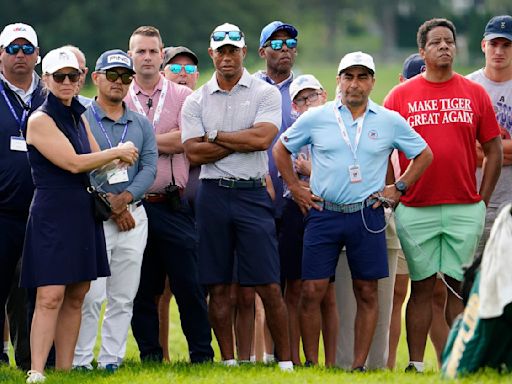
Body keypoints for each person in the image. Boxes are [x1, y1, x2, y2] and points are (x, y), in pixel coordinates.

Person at [273, 51, 433, 371]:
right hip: (323, 212)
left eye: (362, 77)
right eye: (348, 76)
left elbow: (424, 154)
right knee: (312, 290)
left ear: (372, 82)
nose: (354, 84)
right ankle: (311, 363)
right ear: (338, 81)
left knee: (367, 290)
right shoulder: (317, 116)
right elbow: (281, 149)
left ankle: (358, 366)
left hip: (367, 213)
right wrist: (295, 189)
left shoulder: (387, 120)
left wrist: (398, 188)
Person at [383, 18, 503, 373]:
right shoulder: (400, 96)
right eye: (435, 42)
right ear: (422, 51)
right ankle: (416, 365)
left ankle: (457, 362)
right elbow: (380, 147)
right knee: (420, 288)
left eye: (449, 41)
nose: (444, 47)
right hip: (415, 206)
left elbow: (493, 149)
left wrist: (482, 199)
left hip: (465, 206)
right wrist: (394, 192)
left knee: (454, 288)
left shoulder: (473, 92)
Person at [21, 47, 138, 383]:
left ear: (82, 78)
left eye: (73, 76)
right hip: (53, 211)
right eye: (60, 77)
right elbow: (73, 162)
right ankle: (38, 370)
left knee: (78, 292)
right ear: (46, 79)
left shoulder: (78, 115)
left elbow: (97, 158)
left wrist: (119, 159)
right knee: (50, 293)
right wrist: (116, 153)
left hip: (80, 208)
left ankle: (65, 370)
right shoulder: (40, 119)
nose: (67, 82)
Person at [181, 22, 293, 371]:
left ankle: (285, 361)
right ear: (212, 53)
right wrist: (236, 139)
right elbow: (193, 154)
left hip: (252, 192)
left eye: (234, 50)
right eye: (221, 51)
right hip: (213, 195)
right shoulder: (196, 99)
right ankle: (229, 361)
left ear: (244, 52)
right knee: (218, 284)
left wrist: (213, 135)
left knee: (268, 283)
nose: (227, 56)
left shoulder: (264, 94)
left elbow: (262, 140)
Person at [125, 26, 213, 364]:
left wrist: (137, 144)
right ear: (131, 55)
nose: (147, 57)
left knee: (189, 285)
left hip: (172, 203)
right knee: (142, 288)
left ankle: (201, 355)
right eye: (140, 52)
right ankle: (150, 354)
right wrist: (165, 138)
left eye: (152, 52)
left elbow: (188, 140)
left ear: (162, 56)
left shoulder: (183, 96)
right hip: (133, 207)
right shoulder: (121, 95)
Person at [73, 49, 157, 372]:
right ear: (96, 78)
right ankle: (81, 359)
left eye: (125, 77)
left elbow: (149, 167)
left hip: (134, 214)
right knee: (91, 295)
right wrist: (111, 204)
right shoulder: (81, 117)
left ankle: (110, 358)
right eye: (112, 76)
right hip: (94, 215)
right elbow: (81, 165)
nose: (119, 83)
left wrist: (126, 197)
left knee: (123, 295)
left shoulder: (140, 123)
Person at [386, 53, 448, 370]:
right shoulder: (395, 113)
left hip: (435, 209)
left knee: (437, 293)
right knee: (396, 294)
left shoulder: (438, 113)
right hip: (400, 209)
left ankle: (446, 364)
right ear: (402, 80)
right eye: (416, 77)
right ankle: (386, 367)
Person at [282, 74, 338, 366]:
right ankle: (295, 359)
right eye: (300, 100)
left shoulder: (338, 129)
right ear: (293, 106)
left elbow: (340, 177)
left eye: (311, 96)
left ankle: (328, 362)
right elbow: (285, 178)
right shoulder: (291, 134)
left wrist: (310, 169)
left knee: (326, 291)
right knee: (294, 288)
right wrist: (304, 184)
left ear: (324, 95)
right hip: (294, 211)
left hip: (324, 212)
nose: (307, 104)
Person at [0, 22, 46, 371]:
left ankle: (29, 361)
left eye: (26, 49)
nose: (19, 55)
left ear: (37, 55)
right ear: (0, 55)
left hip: (41, 210)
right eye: (12, 49)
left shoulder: (51, 94)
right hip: (2, 210)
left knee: (30, 290)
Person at [159, 45, 200, 362]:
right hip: (167, 205)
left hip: (204, 208)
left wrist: (146, 140)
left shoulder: (205, 104)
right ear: (163, 73)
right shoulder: (158, 106)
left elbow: (187, 140)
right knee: (161, 288)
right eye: (175, 67)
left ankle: (203, 351)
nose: (183, 73)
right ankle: (160, 354)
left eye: (189, 68)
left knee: (199, 286)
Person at [467, 15, 512, 256]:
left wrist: (488, 150)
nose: (499, 51)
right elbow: (463, 149)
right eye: (494, 44)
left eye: (506, 45)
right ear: (484, 45)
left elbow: (480, 149)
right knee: (471, 281)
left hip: (510, 201)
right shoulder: (467, 87)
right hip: (474, 199)